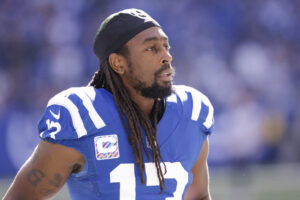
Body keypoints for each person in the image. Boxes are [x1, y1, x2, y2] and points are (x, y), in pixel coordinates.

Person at [3, 8, 214, 200]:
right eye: (151, 48)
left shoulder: (191, 113)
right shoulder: (83, 117)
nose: (167, 56)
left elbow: (199, 196)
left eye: (166, 46)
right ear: (118, 63)